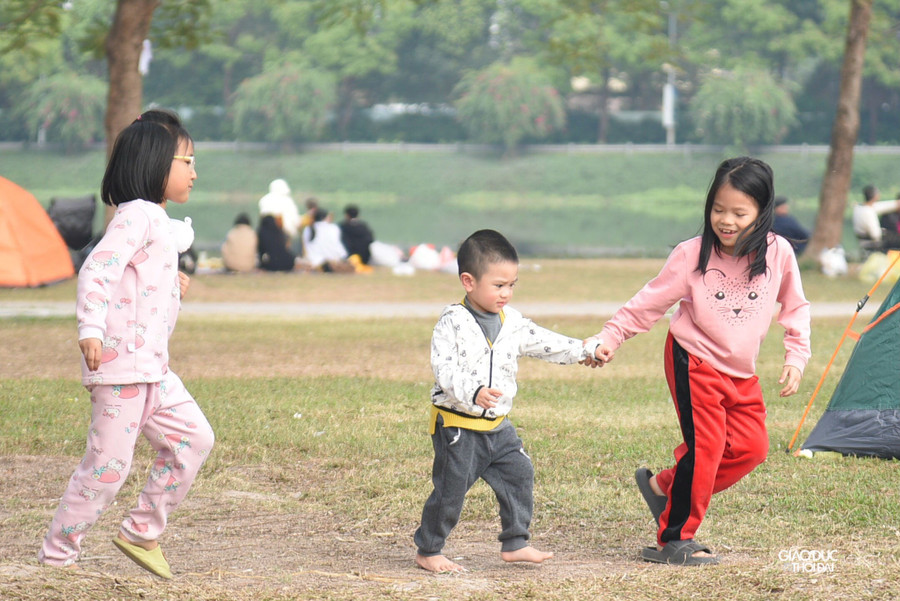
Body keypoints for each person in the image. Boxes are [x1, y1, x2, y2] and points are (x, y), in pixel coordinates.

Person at [585, 157, 811, 566]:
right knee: (705, 449)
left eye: (739, 213)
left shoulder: (778, 254)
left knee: (752, 449)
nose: (726, 221)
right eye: (718, 210)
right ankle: (673, 539)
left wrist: (796, 355)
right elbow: (649, 302)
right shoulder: (691, 254)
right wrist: (610, 336)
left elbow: (795, 306)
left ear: (761, 213)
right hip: (694, 358)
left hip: (741, 370)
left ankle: (664, 487)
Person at [38, 109, 215, 579]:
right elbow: (98, 269)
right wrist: (90, 329)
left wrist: (170, 279)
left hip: (154, 369)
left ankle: (141, 530)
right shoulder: (135, 216)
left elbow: (138, 276)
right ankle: (58, 555)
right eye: (187, 161)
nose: (195, 172)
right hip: (122, 371)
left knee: (194, 438)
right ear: (156, 162)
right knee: (107, 468)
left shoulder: (154, 219)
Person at [413, 229, 599, 573]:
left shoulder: (512, 322)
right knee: (451, 491)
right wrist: (473, 391)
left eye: (512, 284)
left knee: (519, 473)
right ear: (468, 281)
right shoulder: (452, 322)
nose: (507, 293)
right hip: (458, 424)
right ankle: (429, 548)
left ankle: (515, 543)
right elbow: (444, 369)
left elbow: (545, 342)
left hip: (497, 426)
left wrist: (583, 350)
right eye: (499, 285)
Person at [852, 185, 900, 251]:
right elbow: (876, 235)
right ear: (876, 196)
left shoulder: (859, 208)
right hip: (872, 242)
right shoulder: (868, 212)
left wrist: (896, 204)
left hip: (862, 239)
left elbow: (879, 206)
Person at [301, 207, 350, 271]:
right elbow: (339, 248)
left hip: (314, 262)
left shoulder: (308, 229)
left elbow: (305, 249)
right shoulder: (334, 228)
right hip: (333, 260)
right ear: (326, 217)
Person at [258, 178, 301, 243]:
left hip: (268, 235)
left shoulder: (264, 200)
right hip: (285, 234)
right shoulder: (288, 201)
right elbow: (295, 220)